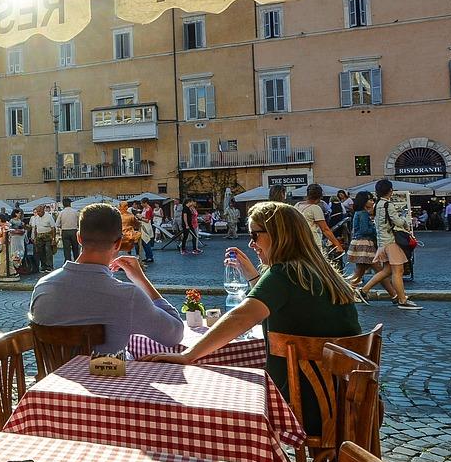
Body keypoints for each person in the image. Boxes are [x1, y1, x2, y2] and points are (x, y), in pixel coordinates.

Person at [147, 201, 360, 437]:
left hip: (304, 408)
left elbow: (241, 317)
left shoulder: (284, 274)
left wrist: (188, 355)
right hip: (350, 403)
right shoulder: (324, 274)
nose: (251, 243)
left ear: (279, 235)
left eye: (254, 235)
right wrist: (254, 277)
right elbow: (283, 307)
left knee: (217, 407)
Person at [29, 203, 184, 354]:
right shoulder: (128, 296)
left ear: (79, 238)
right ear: (117, 244)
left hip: (54, 378)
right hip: (107, 378)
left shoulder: (43, 286)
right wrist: (141, 280)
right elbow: (175, 334)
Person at [360, 179, 421, 309]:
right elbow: (398, 222)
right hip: (392, 242)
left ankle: (363, 291)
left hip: (383, 241)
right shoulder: (388, 205)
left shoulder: (377, 205)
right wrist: (405, 220)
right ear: (390, 191)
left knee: (387, 270)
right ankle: (402, 300)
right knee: (398, 271)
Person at [295, 183, 344, 257]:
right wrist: (338, 245)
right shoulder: (315, 208)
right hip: (312, 242)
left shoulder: (297, 205)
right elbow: (325, 229)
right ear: (320, 196)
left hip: (298, 242)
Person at [346, 191, 379, 288]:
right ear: (363, 201)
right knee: (379, 270)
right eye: (370, 199)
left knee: (360, 271)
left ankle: (351, 291)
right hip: (364, 243)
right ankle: (395, 295)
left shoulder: (358, 213)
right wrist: (375, 229)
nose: (372, 202)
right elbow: (365, 230)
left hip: (359, 242)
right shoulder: (363, 213)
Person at [30, 203, 58, 272]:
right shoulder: (36, 217)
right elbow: (35, 228)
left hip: (48, 236)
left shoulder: (49, 216)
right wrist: (35, 238)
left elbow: (53, 228)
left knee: (48, 251)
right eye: (37, 212)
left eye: (39, 211)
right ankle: (43, 266)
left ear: (43, 211)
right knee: (41, 252)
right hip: (39, 236)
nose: (38, 213)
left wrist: (53, 239)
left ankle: (49, 266)